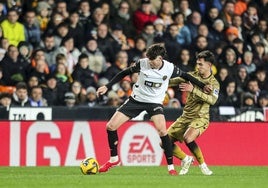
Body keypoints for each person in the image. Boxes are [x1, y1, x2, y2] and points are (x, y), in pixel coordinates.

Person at [96, 43, 208, 176]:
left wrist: (202, 85)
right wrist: (107, 86)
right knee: (110, 126)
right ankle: (113, 159)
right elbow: (125, 72)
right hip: (136, 100)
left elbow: (186, 76)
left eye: (152, 60)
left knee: (162, 131)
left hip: (154, 102)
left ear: (160, 59)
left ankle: (171, 167)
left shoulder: (169, 68)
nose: (149, 62)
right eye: (148, 59)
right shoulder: (142, 63)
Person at [167, 50, 220, 175]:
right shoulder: (191, 76)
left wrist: (193, 90)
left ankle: (203, 165)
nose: (198, 66)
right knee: (164, 142)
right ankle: (185, 159)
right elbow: (172, 81)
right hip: (186, 116)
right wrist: (158, 80)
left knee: (188, 137)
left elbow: (212, 100)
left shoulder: (214, 83)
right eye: (197, 63)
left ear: (209, 65)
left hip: (201, 117)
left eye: (201, 64)